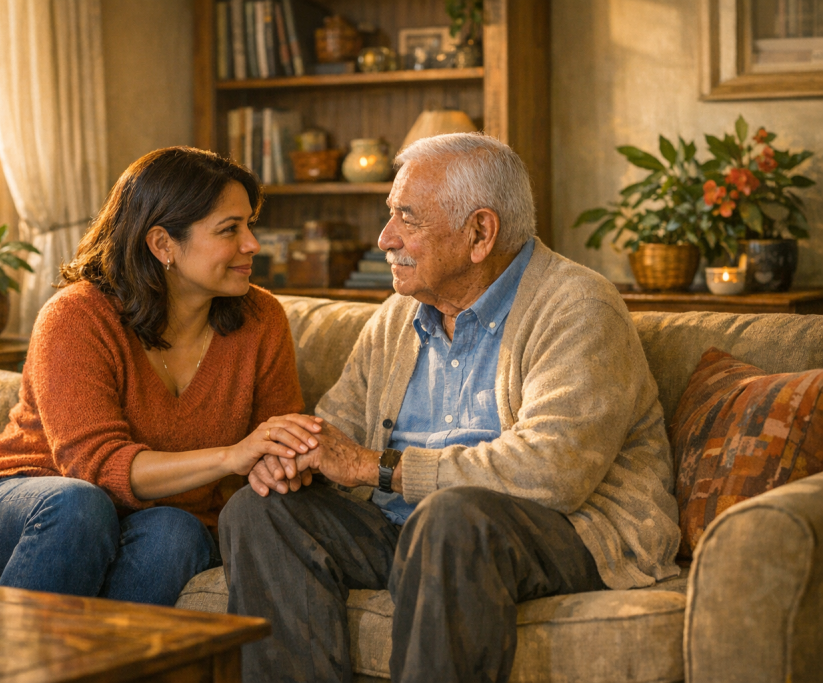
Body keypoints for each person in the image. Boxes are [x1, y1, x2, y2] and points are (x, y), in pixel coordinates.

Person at [220, 133, 682, 683]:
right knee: (258, 508)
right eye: (390, 214)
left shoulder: (578, 307)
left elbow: (553, 474)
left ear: (480, 233)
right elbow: (335, 429)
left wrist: (376, 466)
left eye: (407, 219)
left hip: (563, 530)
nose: (384, 237)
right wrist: (294, 457)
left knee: (452, 517)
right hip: (411, 529)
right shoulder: (398, 316)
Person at [0, 147, 317, 606]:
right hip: (21, 500)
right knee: (79, 506)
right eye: (229, 229)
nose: (252, 243)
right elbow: (94, 467)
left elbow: (280, 440)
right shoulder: (77, 316)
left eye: (249, 224)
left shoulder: (262, 319)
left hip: (156, 514)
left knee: (178, 533)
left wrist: (284, 461)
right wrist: (231, 457)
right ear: (162, 245)